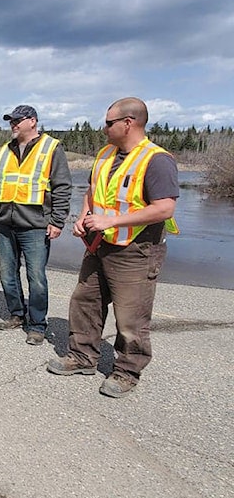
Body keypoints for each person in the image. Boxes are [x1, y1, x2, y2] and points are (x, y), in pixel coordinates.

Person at [47, 97, 179, 398]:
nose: (104, 128)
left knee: (131, 317)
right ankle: (82, 357)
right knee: (85, 301)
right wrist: (84, 217)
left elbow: (164, 208)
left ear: (128, 123)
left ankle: (127, 371)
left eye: (109, 123)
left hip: (137, 250)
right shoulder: (106, 153)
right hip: (100, 245)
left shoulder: (157, 160)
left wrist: (113, 221)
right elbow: (94, 190)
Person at [0, 105, 71, 344]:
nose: (13, 125)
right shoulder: (6, 150)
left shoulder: (51, 148)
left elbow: (62, 187)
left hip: (36, 225)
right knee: (7, 274)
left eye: (17, 120)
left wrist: (57, 221)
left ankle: (37, 325)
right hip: (7, 223)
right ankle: (17, 314)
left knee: (36, 278)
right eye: (10, 121)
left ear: (33, 122)